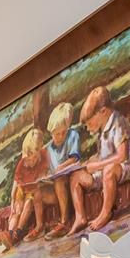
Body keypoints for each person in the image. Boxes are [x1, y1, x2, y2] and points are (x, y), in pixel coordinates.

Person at [66, 86, 130, 235]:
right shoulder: (102, 130)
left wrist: (97, 165)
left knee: (108, 170)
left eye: (89, 123)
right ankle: (80, 217)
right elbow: (103, 155)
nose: (88, 128)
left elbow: (122, 156)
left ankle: (105, 213)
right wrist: (89, 163)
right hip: (104, 171)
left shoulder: (118, 123)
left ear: (103, 111)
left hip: (123, 168)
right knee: (75, 177)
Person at [3, 128, 49, 248]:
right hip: (21, 190)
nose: (31, 162)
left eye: (34, 158)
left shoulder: (44, 156)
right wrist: (12, 202)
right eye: (29, 159)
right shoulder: (22, 164)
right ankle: (10, 232)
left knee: (28, 204)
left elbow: (46, 173)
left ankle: (17, 233)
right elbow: (15, 185)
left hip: (32, 192)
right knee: (17, 210)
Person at [41, 102, 81, 240]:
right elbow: (46, 168)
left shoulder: (73, 135)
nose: (60, 136)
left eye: (64, 132)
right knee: (39, 192)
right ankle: (45, 224)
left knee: (59, 180)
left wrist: (61, 167)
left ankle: (64, 222)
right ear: (51, 133)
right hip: (55, 183)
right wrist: (45, 175)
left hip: (69, 180)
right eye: (57, 134)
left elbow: (74, 159)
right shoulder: (48, 149)